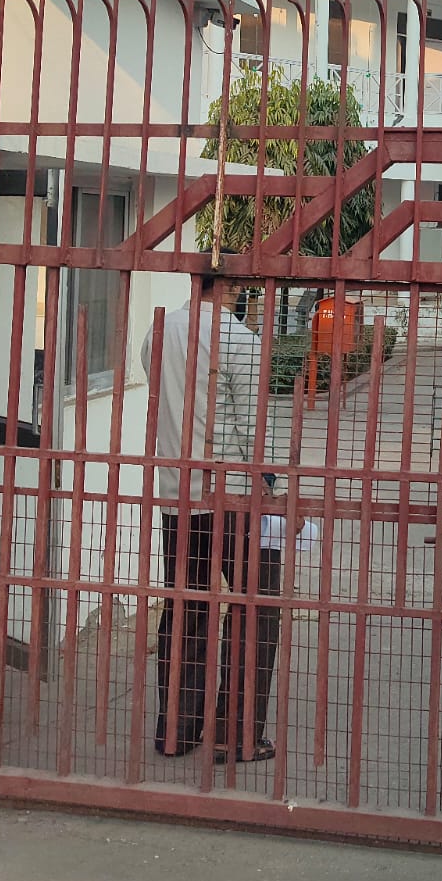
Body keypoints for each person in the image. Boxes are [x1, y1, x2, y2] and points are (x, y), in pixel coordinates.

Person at [141, 273, 281, 764]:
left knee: (186, 607)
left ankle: (176, 730)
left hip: (179, 496)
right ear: (235, 285)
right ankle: (236, 733)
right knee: (254, 609)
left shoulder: (159, 333)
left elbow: (159, 395)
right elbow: (254, 430)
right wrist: (271, 486)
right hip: (234, 498)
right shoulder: (241, 341)